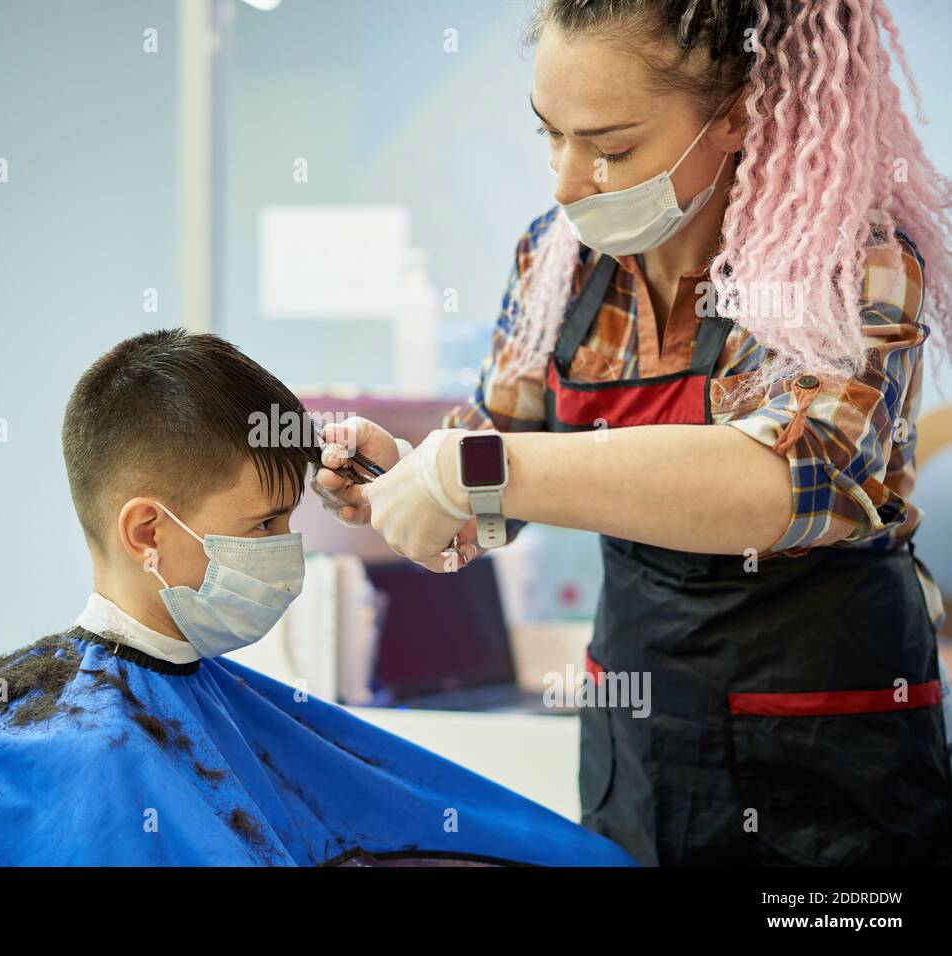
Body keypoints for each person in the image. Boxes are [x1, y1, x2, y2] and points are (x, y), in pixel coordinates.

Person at [315, 0, 952, 866]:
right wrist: (410, 475)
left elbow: (785, 481)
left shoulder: (848, 264)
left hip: (829, 757)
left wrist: (474, 468)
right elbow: (494, 477)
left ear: (735, 115)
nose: (566, 182)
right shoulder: (556, 264)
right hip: (638, 746)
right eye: (550, 136)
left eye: (611, 149)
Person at [0, 329, 637, 867]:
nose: (286, 550)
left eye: (289, 519)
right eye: (263, 523)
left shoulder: (230, 713)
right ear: (147, 530)